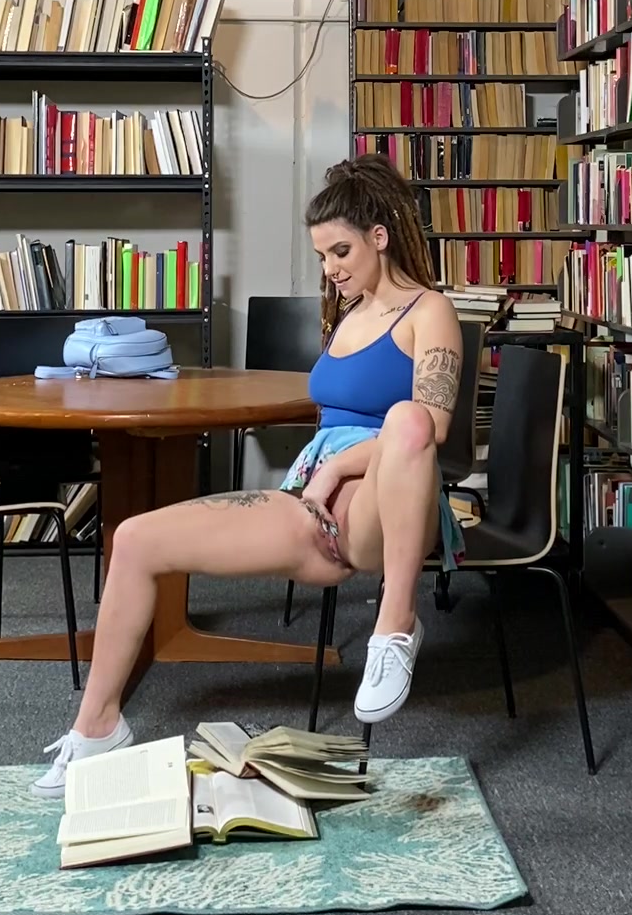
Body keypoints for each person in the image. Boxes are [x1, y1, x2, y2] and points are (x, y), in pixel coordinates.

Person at [32, 154, 465, 798]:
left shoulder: (430, 310)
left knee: (407, 418)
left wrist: (339, 466)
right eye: (321, 256)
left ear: (380, 236)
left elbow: (433, 427)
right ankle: (96, 727)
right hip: (310, 503)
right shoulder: (349, 312)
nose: (331, 268)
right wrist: (319, 474)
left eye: (341, 251)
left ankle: (395, 624)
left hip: (390, 505)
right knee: (135, 539)